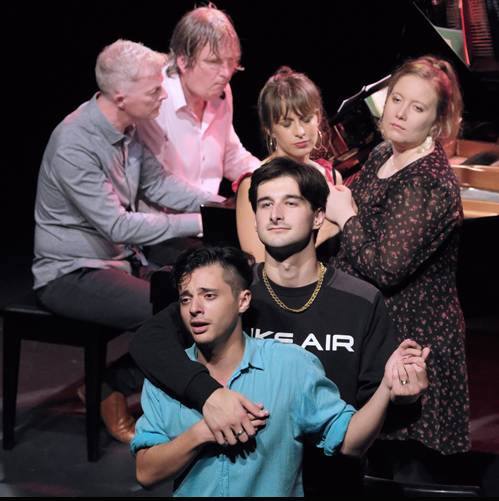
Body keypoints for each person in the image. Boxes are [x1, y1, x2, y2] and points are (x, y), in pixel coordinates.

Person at [129, 157, 430, 495]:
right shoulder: (227, 295)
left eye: (291, 203)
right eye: (265, 204)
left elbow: (380, 408)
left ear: (318, 216)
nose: (275, 214)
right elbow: (147, 341)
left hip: (333, 479)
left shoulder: (360, 300)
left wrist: (403, 393)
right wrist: (210, 396)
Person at [33, 39, 224, 444]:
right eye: (154, 90)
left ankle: (110, 385)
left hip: (119, 262)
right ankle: (110, 387)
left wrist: (220, 206)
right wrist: (200, 222)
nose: (163, 96)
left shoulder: (128, 128)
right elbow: (116, 226)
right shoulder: (73, 142)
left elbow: (160, 185)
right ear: (120, 96)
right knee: (182, 312)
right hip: (70, 273)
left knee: (206, 298)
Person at [327, 55, 469, 484]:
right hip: (373, 329)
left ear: (437, 122)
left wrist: (346, 217)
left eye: (417, 107)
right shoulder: (382, 154)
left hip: (411, 337)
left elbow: (386, 268)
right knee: (361, 460)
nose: (401, 113)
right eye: (396, 99)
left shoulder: (428, 181)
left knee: (401, 470)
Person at [137, 3, 260, 196]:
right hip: (169, 214)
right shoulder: (156, 98)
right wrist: (215, 205)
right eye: (214, 62)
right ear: (183, 61)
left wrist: (270, 177)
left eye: (230, 62)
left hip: (209, 210)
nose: (226, 73)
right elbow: (155, 183)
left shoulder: (221, 92)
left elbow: (230, 155)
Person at [235, 66, 342, 263]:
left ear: (318, 117)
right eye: (287, 124)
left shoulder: (331, 176)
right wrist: (323, 232)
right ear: (269, 128)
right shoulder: (253, 183)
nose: (300, 131)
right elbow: (258, 264)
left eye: (306, 119)